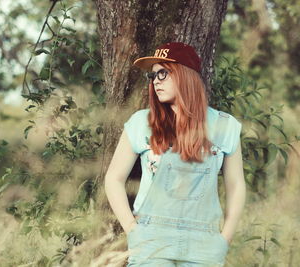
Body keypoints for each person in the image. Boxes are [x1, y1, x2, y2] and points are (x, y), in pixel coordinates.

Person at [104, 42, 246, 266]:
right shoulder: (142, 122)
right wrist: (132, 230)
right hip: (152, 242)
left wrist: (224, 238)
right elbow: (113, 178)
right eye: (152, 76)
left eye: (163, 73)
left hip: (204, 245)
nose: (156, 81)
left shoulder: (224, 126)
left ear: (185, 75)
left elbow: (236, 185)